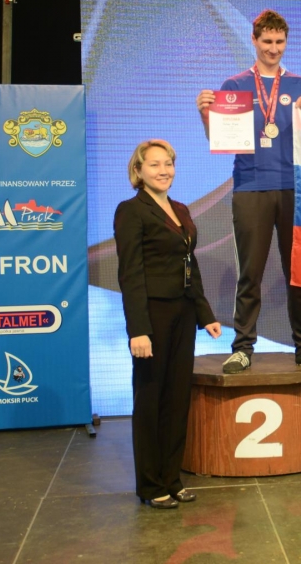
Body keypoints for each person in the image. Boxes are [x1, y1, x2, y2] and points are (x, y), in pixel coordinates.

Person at [196, 9, 301, 373]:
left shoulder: (300, 84)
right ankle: (242, 347)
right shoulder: (236, 85)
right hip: (251, 186)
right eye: (267, 42)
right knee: (250, 272)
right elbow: (221, 141)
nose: (274, 49)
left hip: (293, 188)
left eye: (279, 42)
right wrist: (206, 116)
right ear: (254, 41)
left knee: (298, 272)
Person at [114, 139, 222, 509]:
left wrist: (204, 314)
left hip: (183, 314)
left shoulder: (181, 209)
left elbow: (189, 265)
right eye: (155, 164)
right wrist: (138, 330)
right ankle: (150, 485)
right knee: (150, 400)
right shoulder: (131, 211)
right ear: (138, 171)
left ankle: (172, 478)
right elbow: (130, 274)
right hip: (153, 316)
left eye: (169, 164)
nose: (164, 171)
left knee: (176, 400)